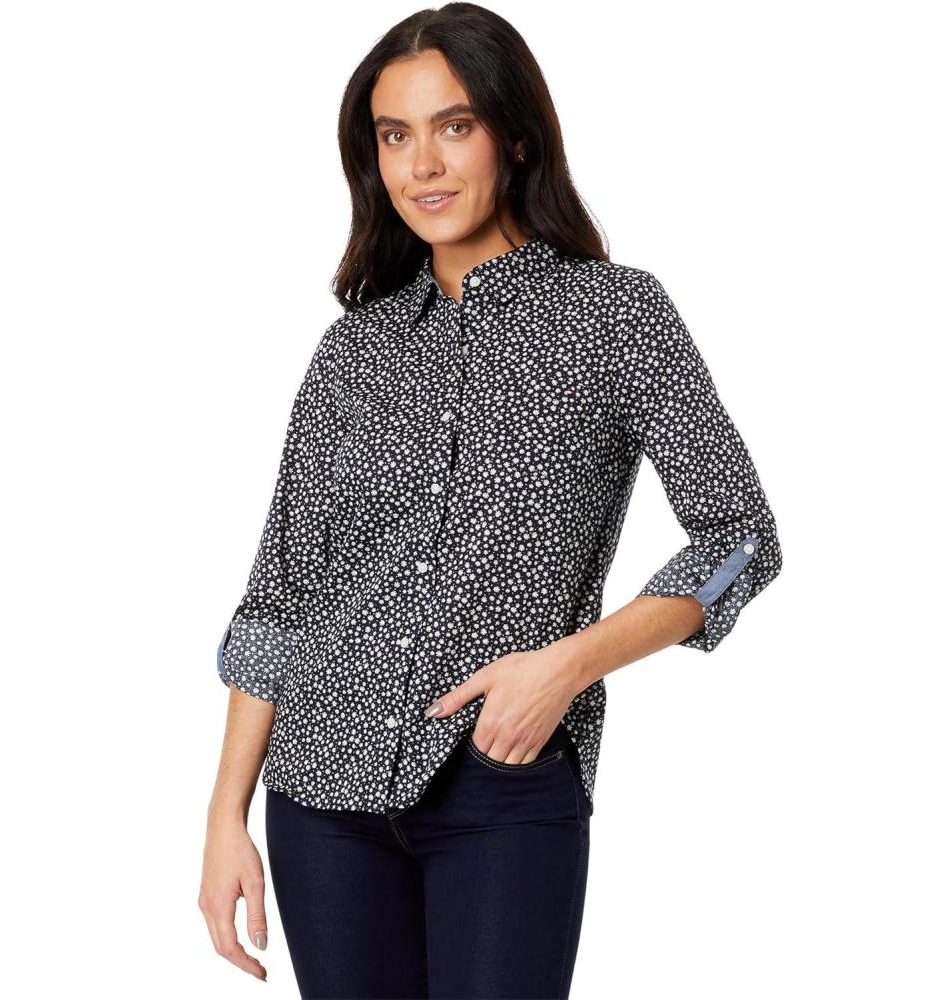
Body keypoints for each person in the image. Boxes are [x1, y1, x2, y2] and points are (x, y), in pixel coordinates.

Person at [198, 4, 783, 997]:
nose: (422, 164)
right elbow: (280, 600)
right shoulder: (352, 352)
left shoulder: (616, 316)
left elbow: (741, 537)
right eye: (395, 136)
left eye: (453, 126)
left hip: (504, 785)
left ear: (513, 136)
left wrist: (569, 664)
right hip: (319, 796)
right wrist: (225, 817)